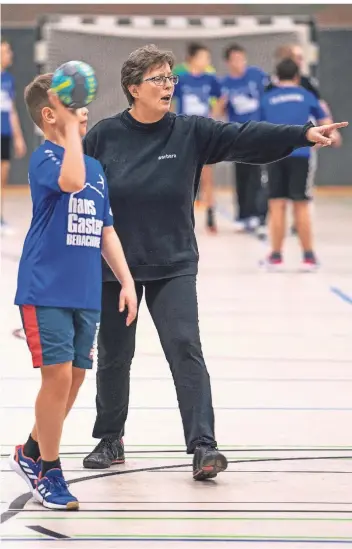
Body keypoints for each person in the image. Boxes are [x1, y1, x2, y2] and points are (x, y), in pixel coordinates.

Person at [81, 44, 346, 480]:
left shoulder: (190, 131)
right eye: (158, 79)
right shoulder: (104, 137)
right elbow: (80, 191)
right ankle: (110, 439)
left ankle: (203, 445)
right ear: (133, 88)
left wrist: (300, 135)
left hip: (173, 261)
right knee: (114, 356)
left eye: (170, 77)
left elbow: (245, 137)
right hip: (115, 267)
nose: (168, 85)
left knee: (186, 349)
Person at [9, 73, 137, 510]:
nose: (84, 109)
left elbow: (105, 229)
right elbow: (69, 181)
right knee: (58, 376)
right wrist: (67, 134)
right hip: (45, 288)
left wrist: (126, 279)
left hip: (84, 292)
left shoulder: (95, 168)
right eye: (71, 103)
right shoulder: (47, 158)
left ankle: (29, 451)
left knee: (76, 379)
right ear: (51, 114)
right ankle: (49, 469)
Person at [260, 58, 331, 271]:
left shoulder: (267, 98)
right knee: (301, 203)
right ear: (297, 77)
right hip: (301, 156)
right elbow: (326, 121)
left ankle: (275, 256)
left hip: (274, 155)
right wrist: (320, 140)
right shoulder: (307, 95)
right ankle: (308, 257)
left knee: (276, 203)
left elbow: (257, 128)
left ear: (277, 77)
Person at [219, 43, 269, 236]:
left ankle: (259, 215)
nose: (239, 63)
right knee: (241, 176)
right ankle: (243, 215)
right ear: (228, 62)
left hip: (257, 132)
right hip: (237, 135)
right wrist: (221, 103)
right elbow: (218, 111)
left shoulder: (257, 75)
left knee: (257, 175)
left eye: (242, 58)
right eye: (235, 60)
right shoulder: (225, 84)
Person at [172, 42, 222, 233]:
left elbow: (221, 99)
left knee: (208, 175)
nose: (206, 61)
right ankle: (181, 216)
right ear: (192, 58)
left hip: (204, 131)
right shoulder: (182, 79)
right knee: (183, 176)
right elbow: (170, 101)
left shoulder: (210, 79)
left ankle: (211, 214)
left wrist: (214, 116)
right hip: (184, 131)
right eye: (203, 57)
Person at [1, 39, 27, 234]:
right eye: (6, 51)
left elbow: (11, 110)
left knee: (3, 177)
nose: (10, 55)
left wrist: (18, 137)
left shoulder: (8, 79)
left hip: (5, 134)